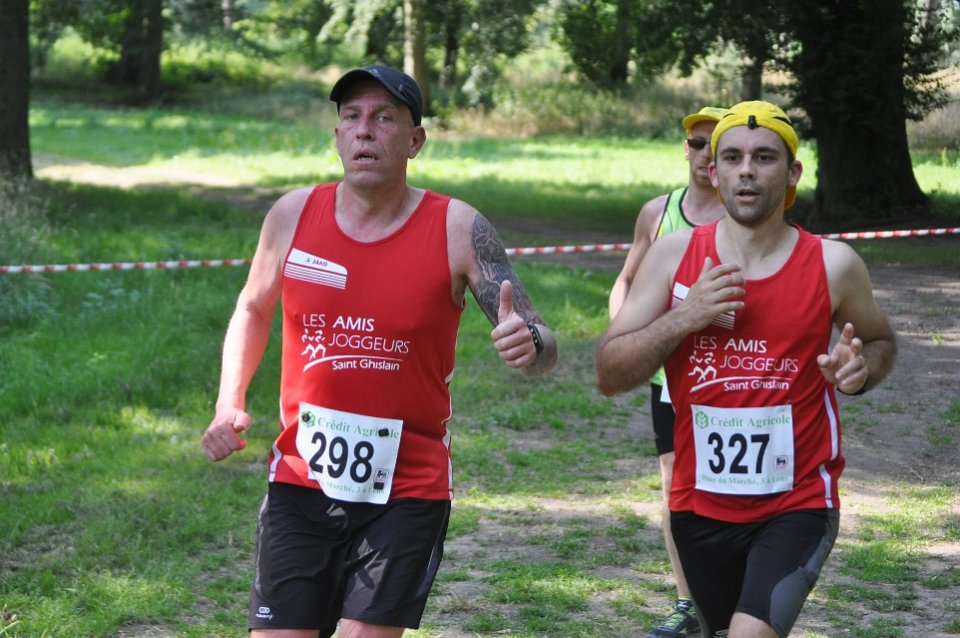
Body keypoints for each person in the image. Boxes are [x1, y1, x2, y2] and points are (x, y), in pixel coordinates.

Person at [201, 64, 558, 638]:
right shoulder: (292, 215)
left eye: (384, 118)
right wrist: (229, 403)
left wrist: (531, 343)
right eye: (352, 117)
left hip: (407, 488)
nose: (365, 130)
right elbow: (253, 308)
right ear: (338, 135)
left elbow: (543, 342)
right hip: (300, 479)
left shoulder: (458, 227)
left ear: (415, 141)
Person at [596, 101, 896, 638]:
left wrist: (860, 370)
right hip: (697, 503)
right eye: (732, 158)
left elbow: (878, 341)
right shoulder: (671, 257)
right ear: (714, 172)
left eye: (764, 157)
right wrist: (683, 317)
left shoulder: (833, 264)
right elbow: (609, 374)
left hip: (798, 501)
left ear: (792, 173)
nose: (747, 171)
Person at [608, 105, 730, 638]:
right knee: (675, 487)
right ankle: (688, 604)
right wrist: (624, 335)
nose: (707, 156)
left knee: (729, 487)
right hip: (669, 378)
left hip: (730, 376)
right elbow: (627, 280)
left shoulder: (746, 215)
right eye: (698, 144)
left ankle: (733, 601)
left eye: (718, 147)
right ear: (686, 149)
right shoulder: (657, 213)